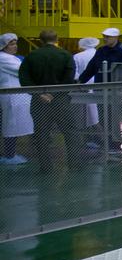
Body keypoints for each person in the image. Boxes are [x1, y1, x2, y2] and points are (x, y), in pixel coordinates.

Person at [18, 29, 82, 172]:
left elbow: (24, 78)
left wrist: (39, 93)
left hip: (39, 101)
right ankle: (74, 165)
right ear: (56, 38)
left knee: (41, 134)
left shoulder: (31, 56)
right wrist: (54, 94)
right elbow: (68, 79)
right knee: (71, 132)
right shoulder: (65, 55)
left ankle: (46, 167)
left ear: (40, 40)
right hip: (61, 101)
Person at [79, 26, 122, 151]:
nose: (105, 39)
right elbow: (92, 67)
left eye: (108, 37)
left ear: (116, 37)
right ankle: (108, 143)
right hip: (101, 89)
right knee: (103, 117)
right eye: (104, 37)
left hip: (114, 91)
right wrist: (80, 82)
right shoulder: (101, 50)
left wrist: (120, 88)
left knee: (112, 117)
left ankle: (114, 144)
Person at [0, 33, 33, 166]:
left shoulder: (10, 57)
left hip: (17, 96)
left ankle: (10, 153)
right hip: (11, 96)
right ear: (4, 46)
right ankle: (9, 155)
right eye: (11, 44)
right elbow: (22, 71)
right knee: (11, 125)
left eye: (15, 43)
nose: (15, 46)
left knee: (13, 124)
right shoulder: (3, 58)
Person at [73, 36, 100, 131]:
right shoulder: (100, 54)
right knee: (98, 114)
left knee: (84, 115)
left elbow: (74, 74)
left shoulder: (77, 56)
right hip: (100, 88)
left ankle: (86, 135)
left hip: (83, 88)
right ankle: (101, 137)